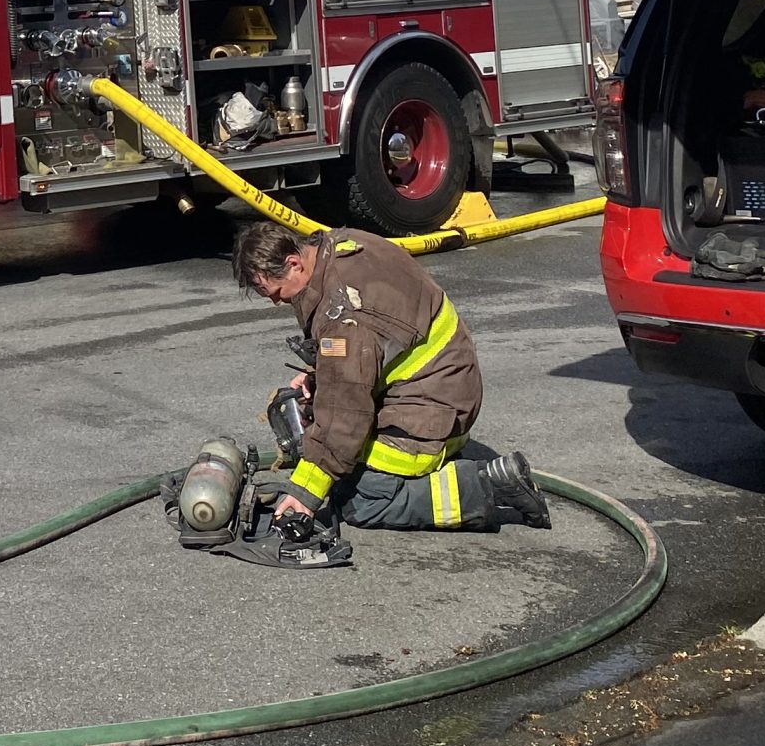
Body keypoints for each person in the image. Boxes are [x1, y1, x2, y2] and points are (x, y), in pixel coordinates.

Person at [232, 219, 551, 532]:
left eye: (274, 291)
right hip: (450, 381)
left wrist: (304, 493)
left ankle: (491, 486)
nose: (276, 301)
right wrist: (321, 373)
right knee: (323, 421)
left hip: (434, 409)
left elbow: (345, 409)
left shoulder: (343, 318)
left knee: (359, 497)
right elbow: (374, 343)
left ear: (293, 263)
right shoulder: (339, 245)